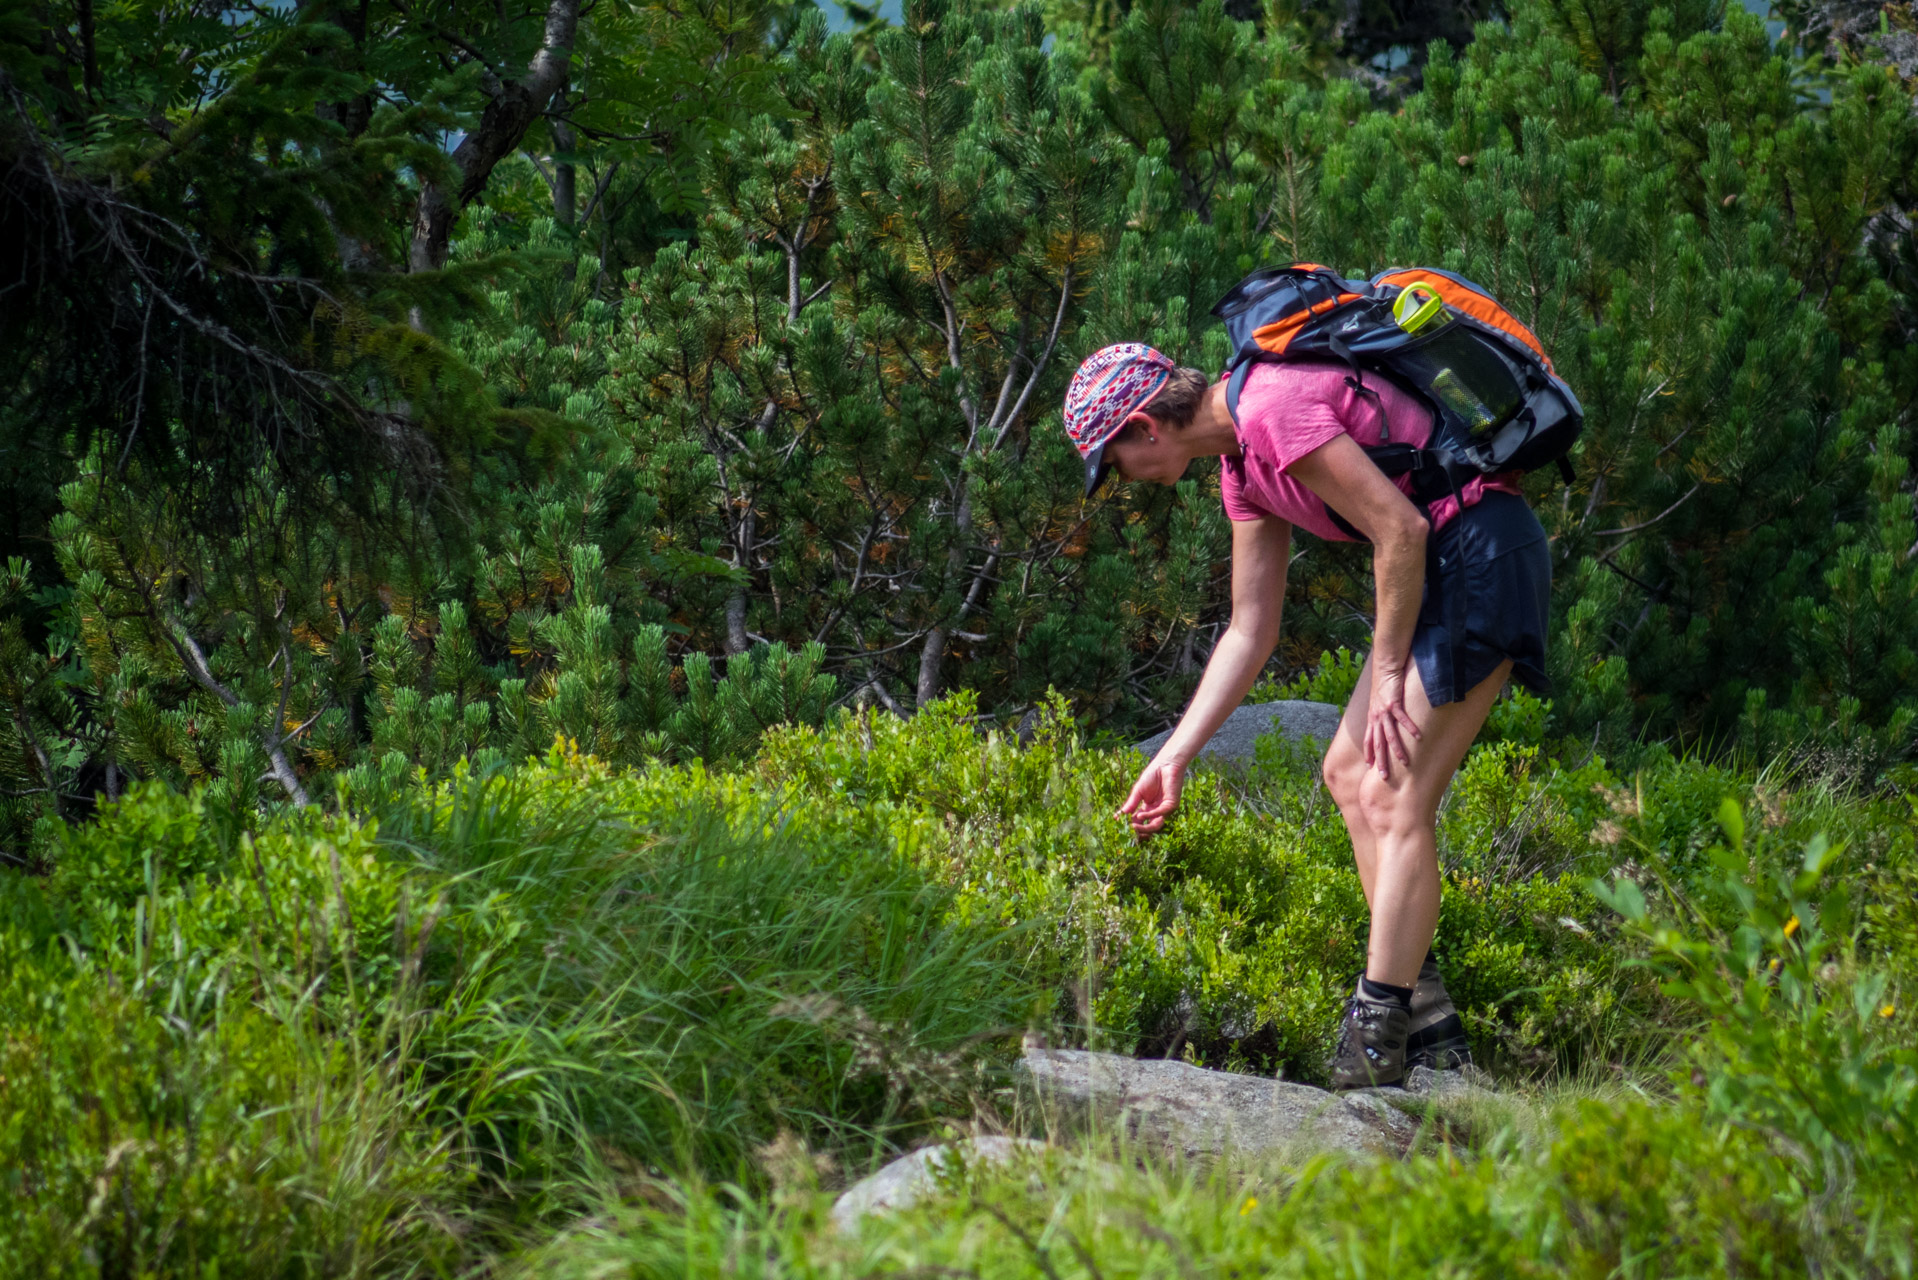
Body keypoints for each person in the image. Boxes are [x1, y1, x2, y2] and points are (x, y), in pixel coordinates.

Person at [1061, 342, 1551, 1088]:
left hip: (1481, 553)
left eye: (1113, 461)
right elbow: (1250, 630)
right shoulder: (1240, 467)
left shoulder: (1271, 407)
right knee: (1348, 773)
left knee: (1390, 789)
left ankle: (1375, 1032)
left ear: (1144, 427)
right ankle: (1430, 1023)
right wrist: (1175, 756)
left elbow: (1401, 531)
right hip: (1442, 566)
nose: (1120, 480)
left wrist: (1387, 671)